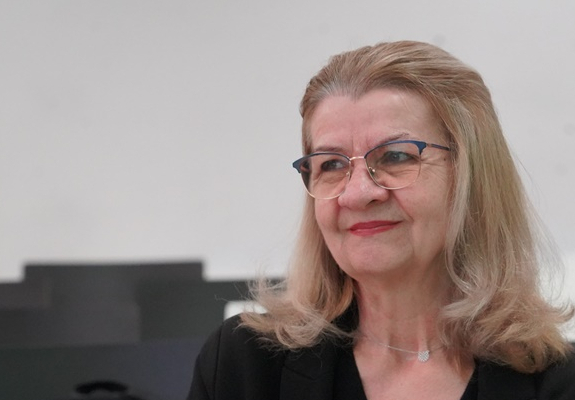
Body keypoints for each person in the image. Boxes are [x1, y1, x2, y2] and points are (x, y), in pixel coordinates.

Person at [186, 41, 575, 400]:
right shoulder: (246, 366)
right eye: (332, 164)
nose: (357, 193)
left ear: (471, 177)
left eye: (396, 156)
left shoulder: (560, 382)